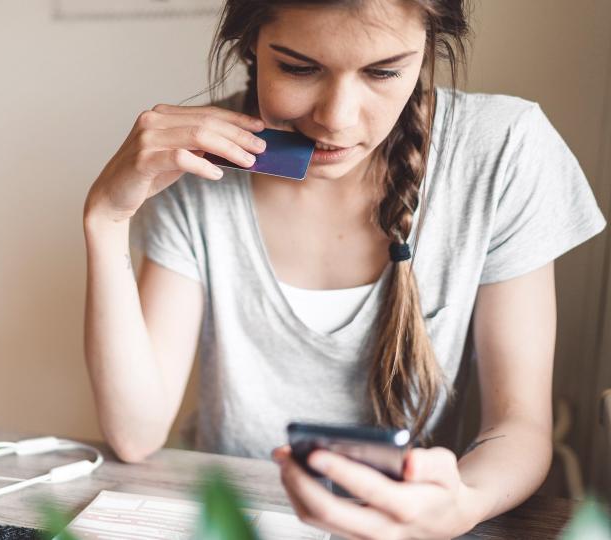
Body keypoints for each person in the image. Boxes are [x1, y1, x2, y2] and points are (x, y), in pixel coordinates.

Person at [82, 0, 606, 537]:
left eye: (383, 72)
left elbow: (517, 427)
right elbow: (135, 433)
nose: (337, 117)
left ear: (427, 51)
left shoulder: (503, 150)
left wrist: (463, 503)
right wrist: (106, 216)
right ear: (250, 46)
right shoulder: (196, 164)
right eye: (298, 67)